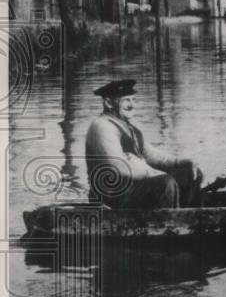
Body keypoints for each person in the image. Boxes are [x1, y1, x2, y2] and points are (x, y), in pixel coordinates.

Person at [85, 79, 202, 208]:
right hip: (111, 197)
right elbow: (119, 167)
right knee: (165, 183)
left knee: (189, 171)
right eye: (126, 100)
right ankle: (168, 224)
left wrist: (180, 162)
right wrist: (153, 173)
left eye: (134, 100)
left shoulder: (129, 128)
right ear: (108, 103)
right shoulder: (101, 126)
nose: (132, 105)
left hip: (131, 189)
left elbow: (151, 155)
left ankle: (187, 217)